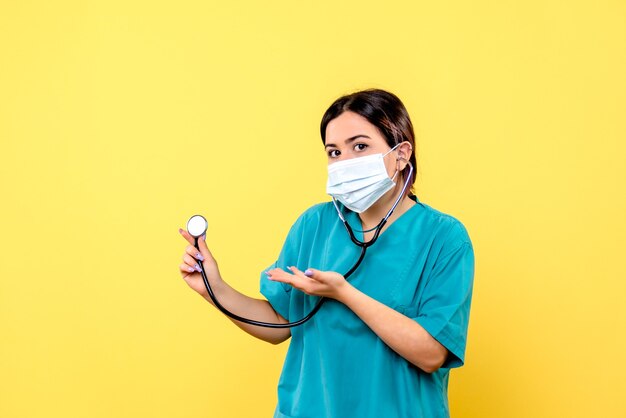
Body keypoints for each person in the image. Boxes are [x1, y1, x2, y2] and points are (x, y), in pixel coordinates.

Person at [178, 88, 475, 418]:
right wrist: (214, 289)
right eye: (334, 152)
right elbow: (281, 323)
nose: (344, 162)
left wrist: (345, 293)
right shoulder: (314, 225)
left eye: (360, 146)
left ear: (401, 154)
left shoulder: (443, 237)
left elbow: (431, 353)